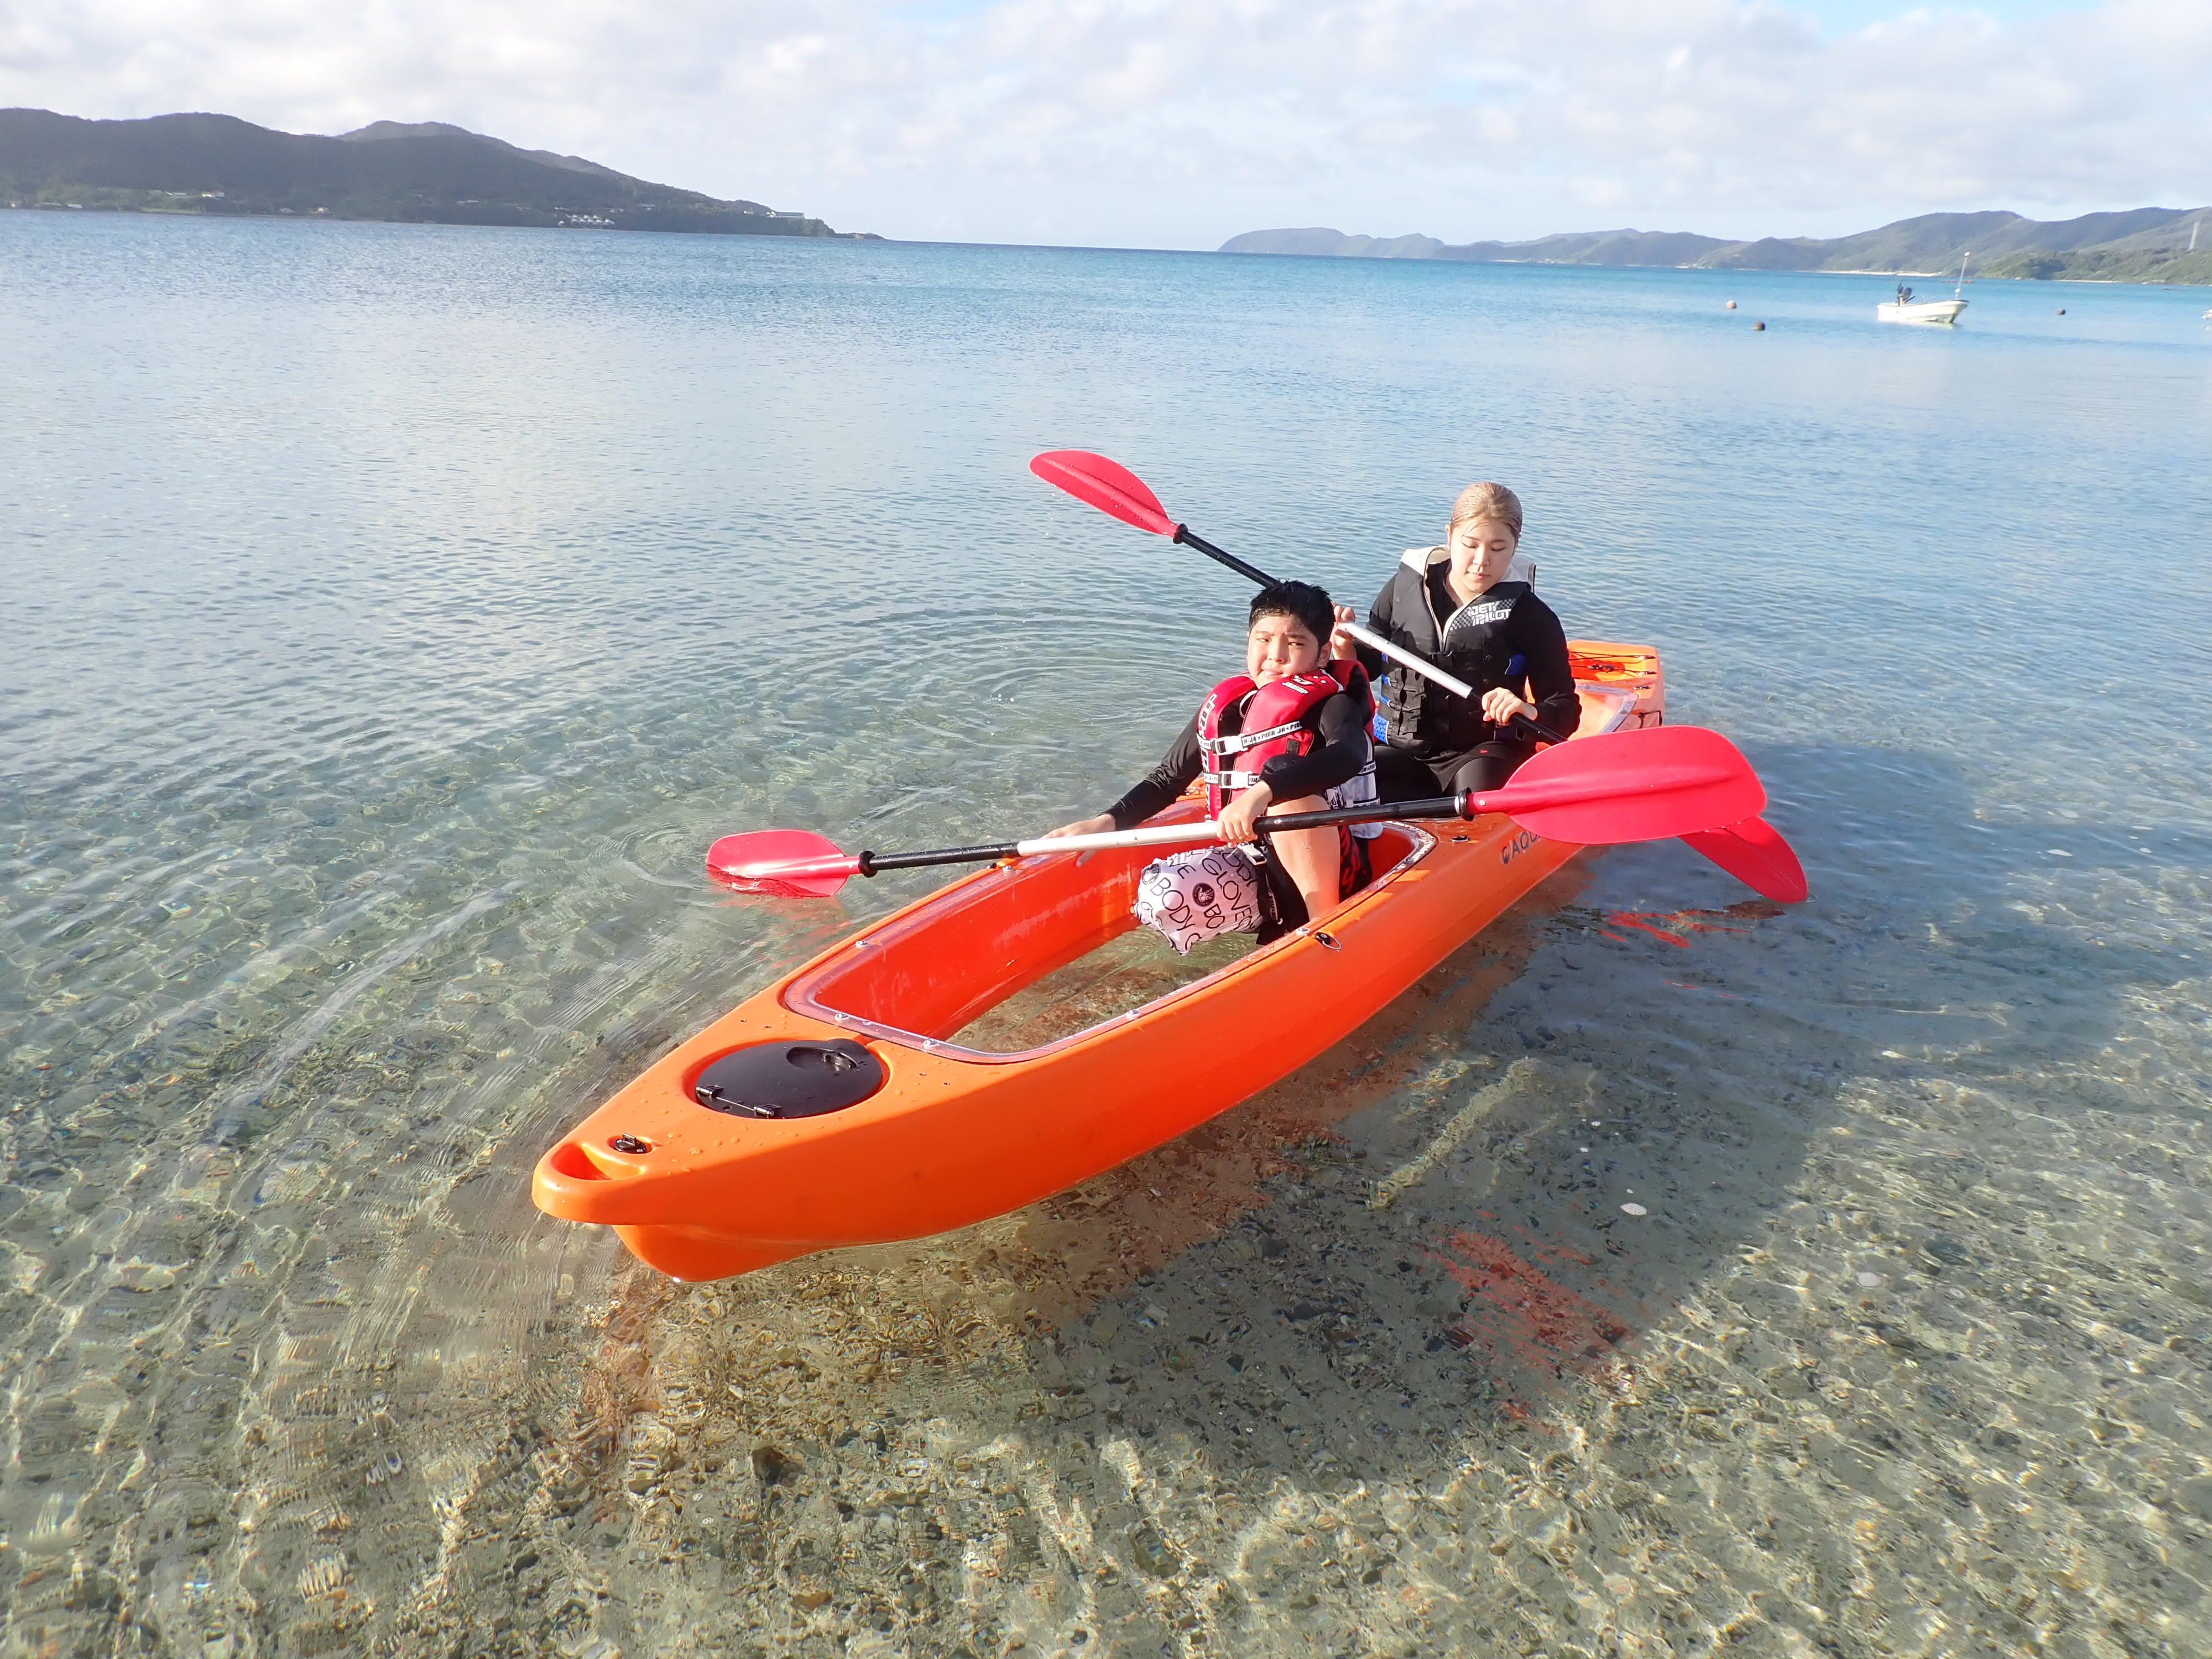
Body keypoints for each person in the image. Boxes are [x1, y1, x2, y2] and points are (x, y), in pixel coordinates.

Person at [1045, 580, 1376, 946]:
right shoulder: (1228, 706)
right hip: (1255, 864)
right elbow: (1168, 778)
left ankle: (1326, 932)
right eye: (1263, 640)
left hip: (1333, 871)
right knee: (1163, 895)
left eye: (1295, 643)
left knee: (1290, 790)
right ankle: (1277, 929)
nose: (1276, 655)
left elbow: (1349, 755)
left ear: (1322, 654)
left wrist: (1262, 793)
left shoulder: (1332, 704)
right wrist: (1106, 822)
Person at [1334, 481, 1579, 804]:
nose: (1481, 561)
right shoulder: (1402, 590)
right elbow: (1368, 663)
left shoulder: (1531, 616)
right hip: (1400, 749)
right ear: (1449, 535)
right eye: (1471, 544)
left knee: (1476, 794)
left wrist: (1528, 710)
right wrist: (1343, 648)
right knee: (1346, 784)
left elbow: (1566, 711)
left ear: (1515, 546)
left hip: (1483, 753)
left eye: (1498, 548)